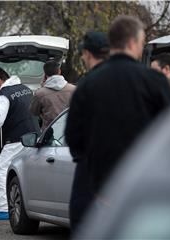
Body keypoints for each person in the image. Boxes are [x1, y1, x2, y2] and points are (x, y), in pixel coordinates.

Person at [65, 16, 170, 231]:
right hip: (146, 186)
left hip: (100, 188)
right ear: (133, 43)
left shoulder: (87, 85)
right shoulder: (153, 80)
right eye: (142, 44)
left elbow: (73, 136)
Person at [68, 31, 110, 231]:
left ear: (87, 53)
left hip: (91, 166)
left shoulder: (86, 85)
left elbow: (73, 134)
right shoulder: (129, 78)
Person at [0, 68, 38, 220]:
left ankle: (2, 209)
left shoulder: (4, 95)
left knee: (1, 171)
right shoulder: (27, 89)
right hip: (33, 137)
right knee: (26, 172)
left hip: (15, 139)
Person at [29, 60, 76, 130]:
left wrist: (42, 87)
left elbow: (33, 112)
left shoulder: (40, 93)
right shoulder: (73, 89)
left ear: (45, 74)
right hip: (70, 129)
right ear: (59, 71)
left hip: (50, 133)